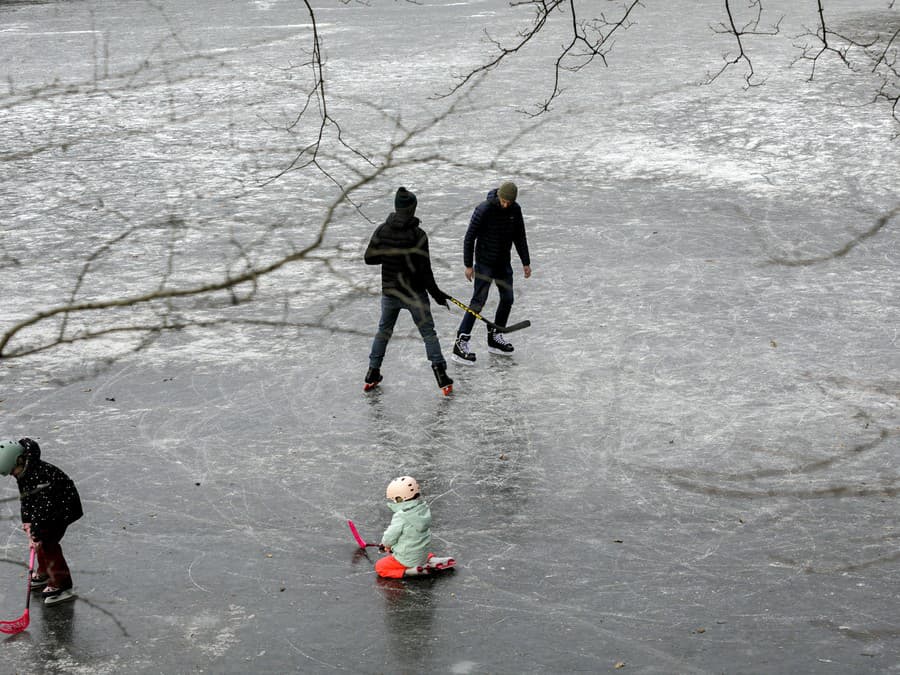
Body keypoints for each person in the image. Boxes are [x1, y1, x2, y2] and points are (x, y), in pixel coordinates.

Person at [364, 187, 454, 395]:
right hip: (414, 294)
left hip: (390, 293)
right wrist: (437, 295)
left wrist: (388, 253)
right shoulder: (418, 235)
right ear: (412, 209)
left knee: (383, 332)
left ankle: (372, 372)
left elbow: (369, 257)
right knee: (428, 334)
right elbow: (425, 271)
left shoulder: (382, 230)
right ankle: (441, 376)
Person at [453, 181, 531, 365]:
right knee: (478, 302)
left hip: (503, 263)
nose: (506, 205)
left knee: (508, 298)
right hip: (484, 263)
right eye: (503, 201)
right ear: (499, 197)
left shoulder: (515, 210)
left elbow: (520, 236)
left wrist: (526, 262)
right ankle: (461, 342)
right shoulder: (484, 209)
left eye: (509, 203)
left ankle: (495, 336)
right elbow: (469, 237)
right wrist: (468, 265)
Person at [0, 438, 83, 606]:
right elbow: (27, 499)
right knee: (39, 540)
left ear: (20, 460)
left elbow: (43, 507)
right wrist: (27, 522)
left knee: (48, 543)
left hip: (63, 508)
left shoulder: (39, 474)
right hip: (47, 509)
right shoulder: (24, 472)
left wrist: (36, 530)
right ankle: (44, 571)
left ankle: (62, 583)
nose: (13, 474)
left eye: (12, 471)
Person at [375, 476, 454, 578]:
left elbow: (390, 537)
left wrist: (386, 544)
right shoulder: (423, 509)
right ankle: (433, 561)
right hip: (422, 555)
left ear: (399, 499)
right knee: (418, 550)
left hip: (407, 559)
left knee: (380, 566)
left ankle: (411, 571)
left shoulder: (401, 516)